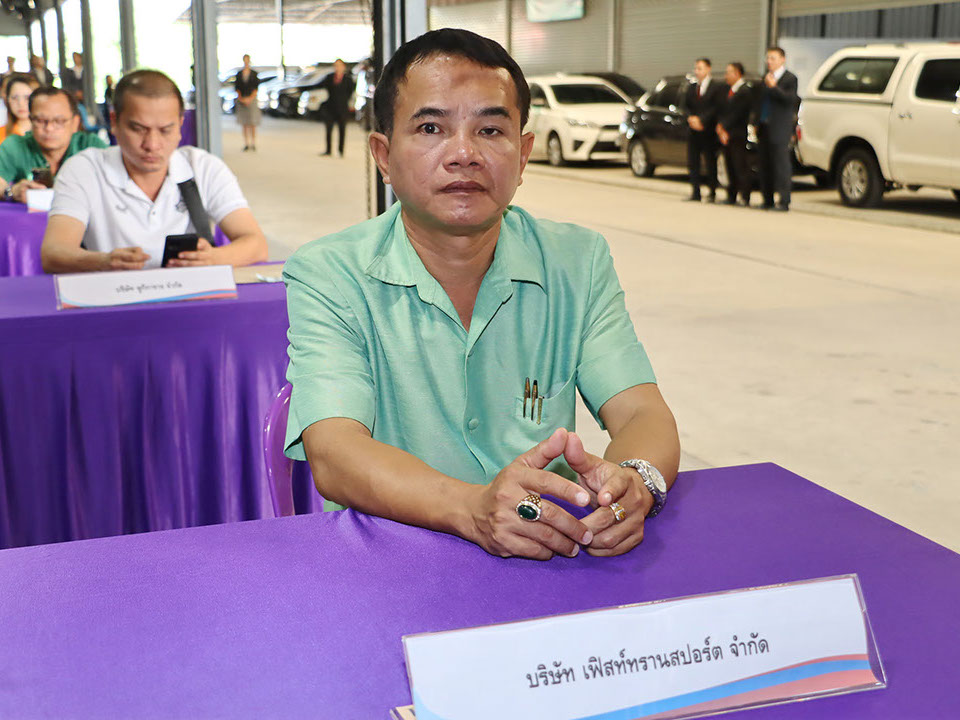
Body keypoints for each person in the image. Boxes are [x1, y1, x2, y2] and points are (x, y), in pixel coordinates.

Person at [283, 29, 680, 561]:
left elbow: (640, 413)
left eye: (490, 129)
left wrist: (636, 482)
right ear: (383, 156)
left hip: (545, 556)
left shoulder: (577, 261)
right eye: (431, 128)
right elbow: (335, 452)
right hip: (389, 561)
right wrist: (472, 508)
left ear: (523, 154)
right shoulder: (329, 273)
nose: (464, 154)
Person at [41, 69, 268, 273]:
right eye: (138, 129)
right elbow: (54, 253)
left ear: (180, 125)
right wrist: (103, 262)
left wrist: (212, 258)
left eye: (165, 130)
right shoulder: (84, 169)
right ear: (114, 121)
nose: (152, 144)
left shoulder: (204, 168)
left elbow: (256, 244)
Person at [0, 86, 105, 204]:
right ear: (30, 121)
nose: (49, 128)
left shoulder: (91, 145)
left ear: (75, 123)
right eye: (40, 120)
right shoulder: (16, 145)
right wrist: (11, 191)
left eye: (59, 121)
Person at [755, 47, 798, 212]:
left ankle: (784, 201)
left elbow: (789, 100)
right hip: (764, 126)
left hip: (780, 128)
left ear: (782, 59)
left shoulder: (789, 78)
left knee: (781, 165)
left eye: (773, 58)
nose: (769, 61)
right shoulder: (765, 78)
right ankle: (767, 199)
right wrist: (756, 122)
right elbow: (759, 102)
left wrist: (774, 87)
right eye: (768, 58)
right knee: (764, 164)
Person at [684, 57, 723, 203]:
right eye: (696, 68)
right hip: (693, 131)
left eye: (700, 68)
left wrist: (702, 120)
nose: (697, 71)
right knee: (693, 162)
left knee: (710, 161)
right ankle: (695, 192)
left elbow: (716, 107)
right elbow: (686, 106)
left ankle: (712, 191)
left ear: (708, 69)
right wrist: (691, 118)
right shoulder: (692, 87)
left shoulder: (716, 87)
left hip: (708, 130)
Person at [716, 62, 752, 207]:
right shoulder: (728, 90)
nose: (726, 76)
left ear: (737, 73)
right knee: (729, 165)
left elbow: (737, 113)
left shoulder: (744, 91)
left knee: (740, 166)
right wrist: (721, 129)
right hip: (726, 134)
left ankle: (745, 196)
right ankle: (731, 195)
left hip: (737, 134)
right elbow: (722, 111)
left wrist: (723, 127)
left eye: (728, 72)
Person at [317, 59, 353, 157]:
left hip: (342, 108)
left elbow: (350, 92)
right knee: (328, 129)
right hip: (330, 107)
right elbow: (322, 87)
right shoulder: (329, 77)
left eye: (339, 65)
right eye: (336, 65)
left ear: (343, 67)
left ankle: (341, 150)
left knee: (342, 130)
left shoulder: (348, 79)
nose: (337, 68)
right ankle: (328, 150)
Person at [0, 73, 38, 142]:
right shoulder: (1, 134)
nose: (21, 104)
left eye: (27, 98)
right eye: (15, 98)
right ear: (7, 100)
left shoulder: (47, 133)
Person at [234, 54, 260, 151]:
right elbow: (237, 88)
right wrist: (242, 99)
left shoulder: (254, 74)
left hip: (251, 99)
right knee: (244, 123)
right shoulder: (239, 74)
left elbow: (256, 88)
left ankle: (253, 143)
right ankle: (246, 143)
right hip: (242, 99)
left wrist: (250, 99)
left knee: (252, 122)